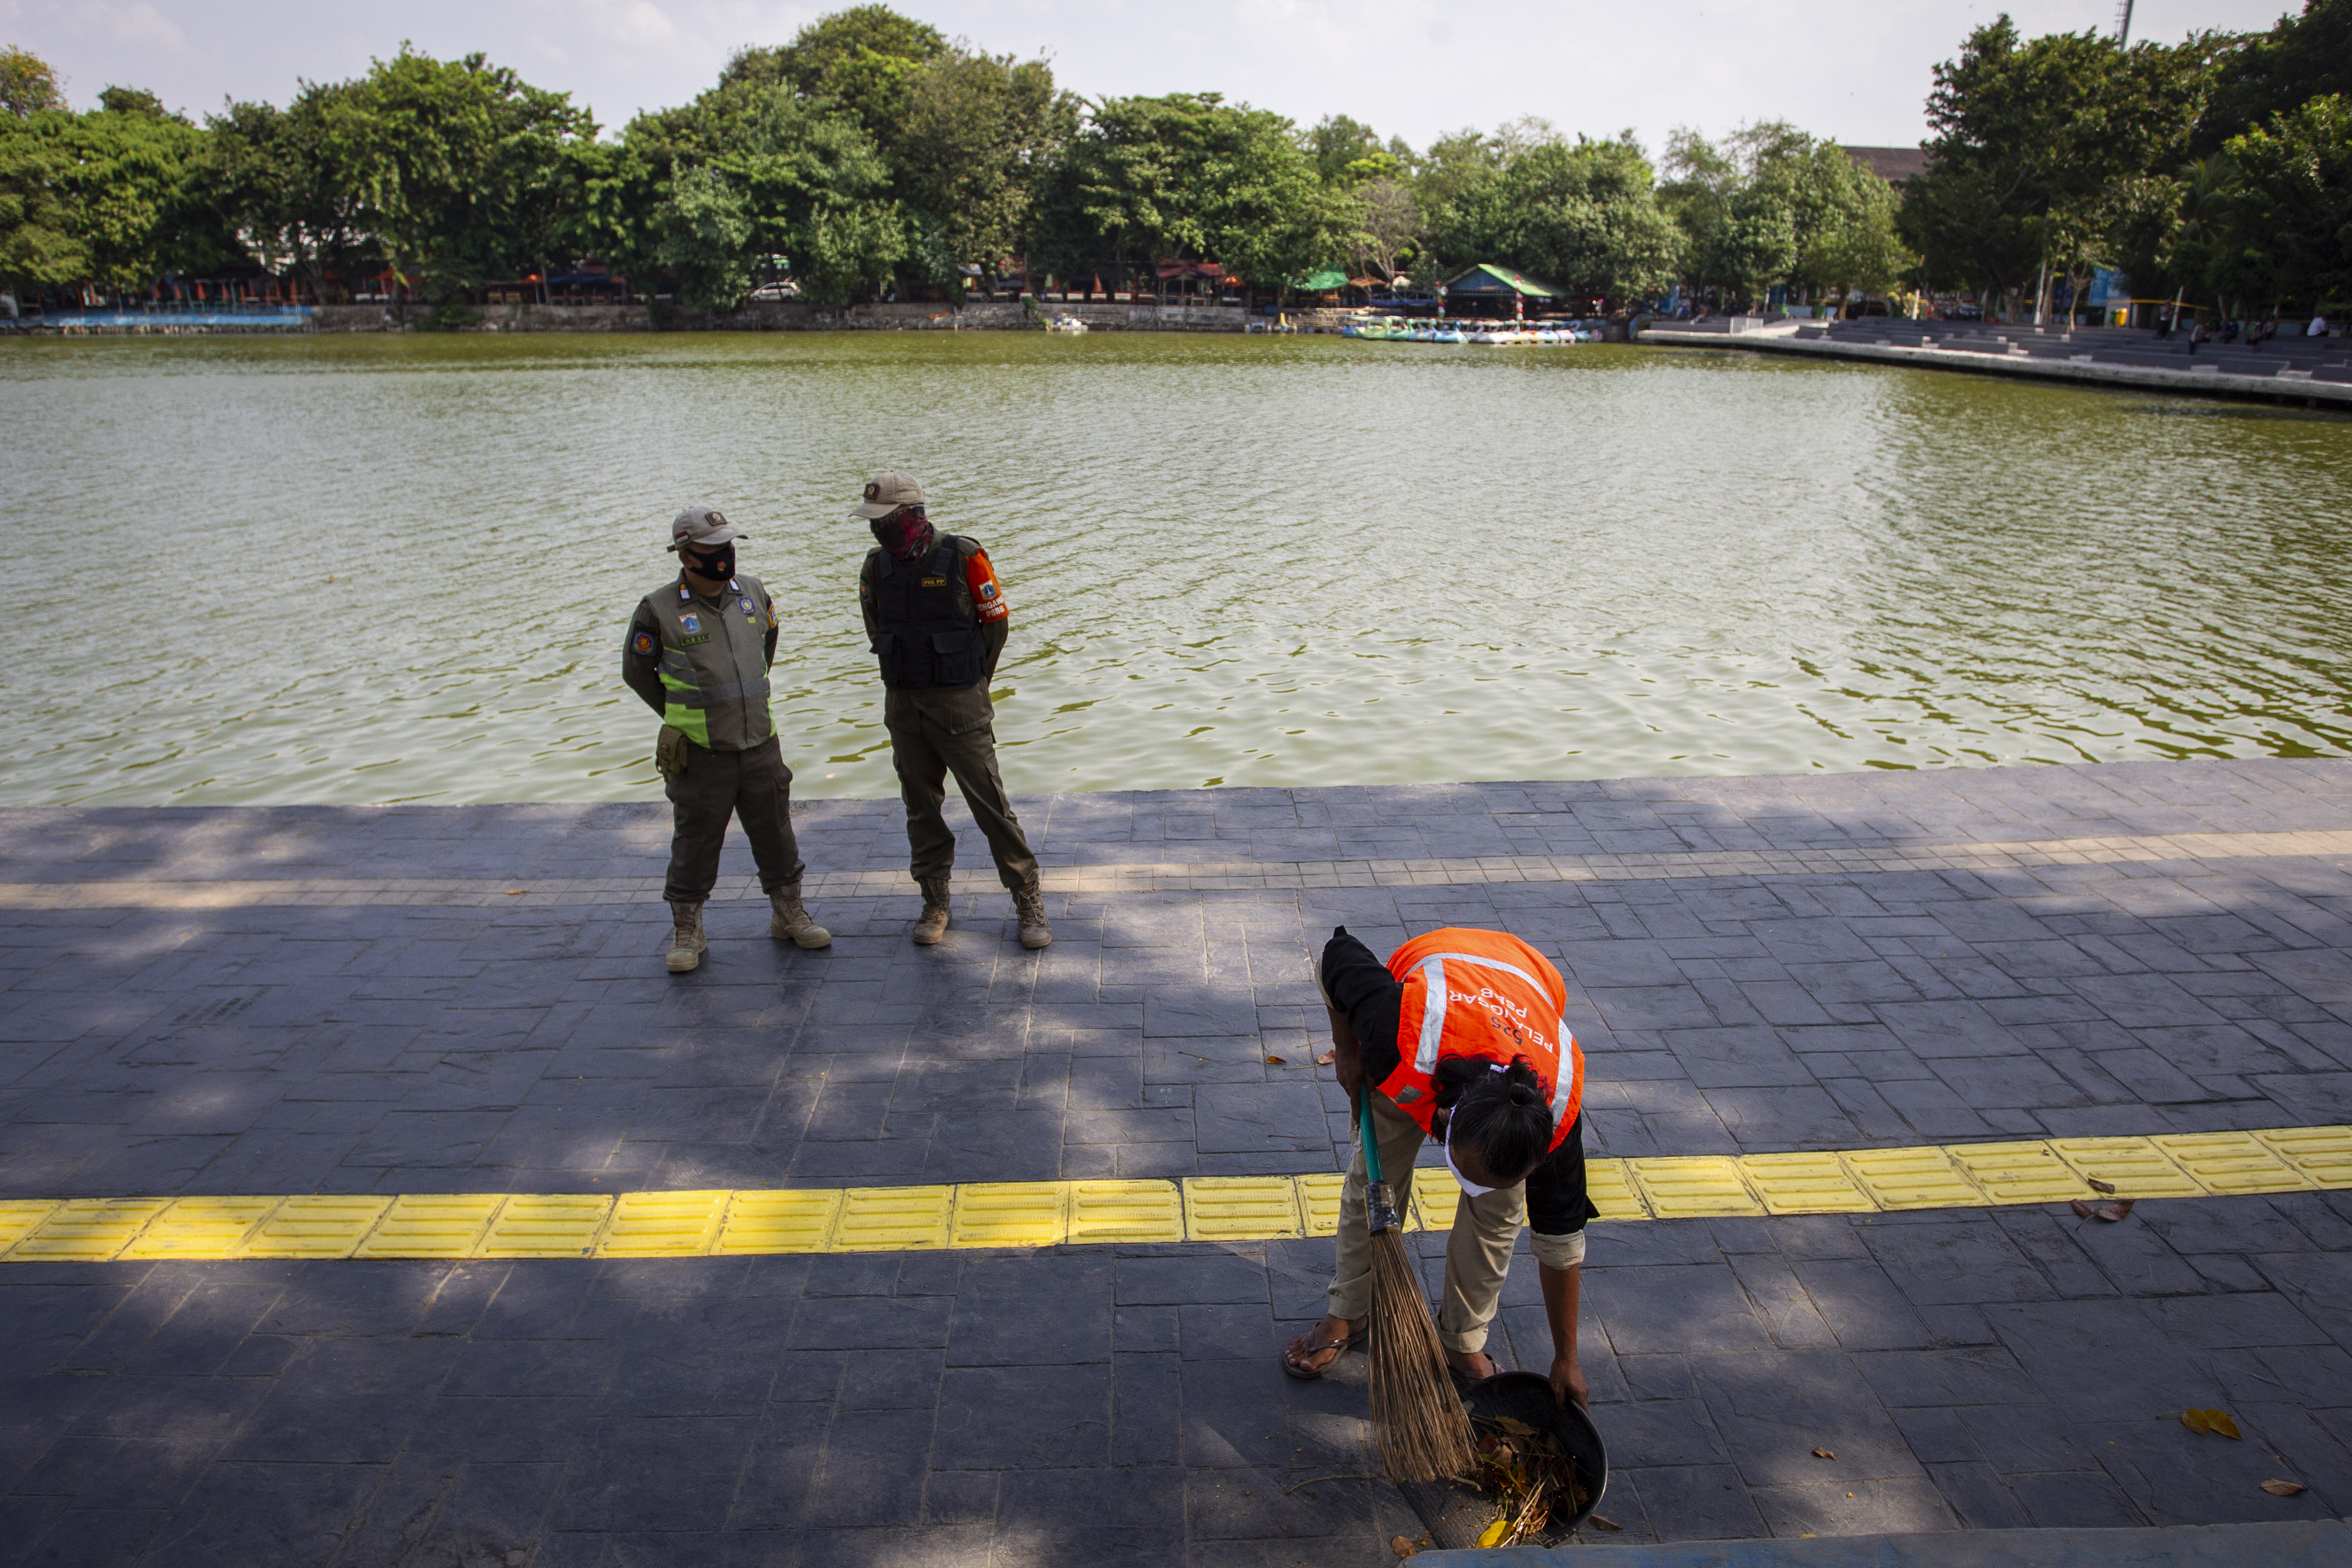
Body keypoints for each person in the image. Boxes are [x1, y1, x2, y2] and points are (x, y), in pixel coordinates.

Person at [1282, 925, 1594, 1408]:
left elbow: (1561, 1244)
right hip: (1436, 1003)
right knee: (1375, 1177)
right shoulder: (1397, 1033)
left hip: (1525, 979)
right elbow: (1335, 955)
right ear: (1445, 1119)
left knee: (1499, 1218)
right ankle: (1348, 1310)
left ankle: (1461, 1340)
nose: (1474, 1188)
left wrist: (1567, 1357)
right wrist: (1347, 1048)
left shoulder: (1556, 1123)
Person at [623, 506, 831, 974]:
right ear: (686, 554)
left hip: (760, 741)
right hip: (700, 753)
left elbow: (768, 642)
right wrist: (683, 713)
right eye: (714, 549)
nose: (725, 555)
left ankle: (788, 912)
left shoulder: (753, 592)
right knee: (695, 841)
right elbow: (637, 674)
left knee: (777, 834)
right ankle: (688, 930)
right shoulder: (658, 609)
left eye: (729, 545)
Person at [853, 471, 1050, 950]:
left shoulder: (965, 558)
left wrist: (976, 681)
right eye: (873, 521)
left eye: (886, 520)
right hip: (904, 704)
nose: (878, 529)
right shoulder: (875, 568)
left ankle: (1027, 898)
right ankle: (934, 899)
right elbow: (875, 625)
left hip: (960, 702)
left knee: (990, 806)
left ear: (913, 515)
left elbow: (996, 625)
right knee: (921, 808)